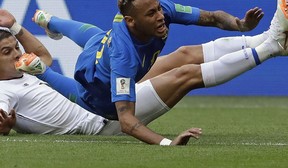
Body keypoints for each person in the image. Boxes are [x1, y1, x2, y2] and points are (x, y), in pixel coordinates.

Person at [32, 0, 286, 145]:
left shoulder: (158, 8)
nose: (160, 17)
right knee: (186, 74)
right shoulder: (124, 57)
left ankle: (264, 37)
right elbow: (127, 122)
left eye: (157, 8)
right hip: (108, 108)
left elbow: (211, 18)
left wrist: (240, 24)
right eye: (151, 14)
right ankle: (271, 47)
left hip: (100, 50)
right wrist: (166, 143)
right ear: (131, 22)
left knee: (185, 53)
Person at [0, 9, 202, 145]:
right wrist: (4, 128)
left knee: (183, 55)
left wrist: (16, 27)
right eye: (7, 52)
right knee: (187, 74)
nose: (18, 54)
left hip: (100, 95)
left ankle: (236, 35)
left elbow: (45, 57)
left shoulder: (20, 73)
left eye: (16, 47)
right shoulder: (3, 91)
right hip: (104, 119)